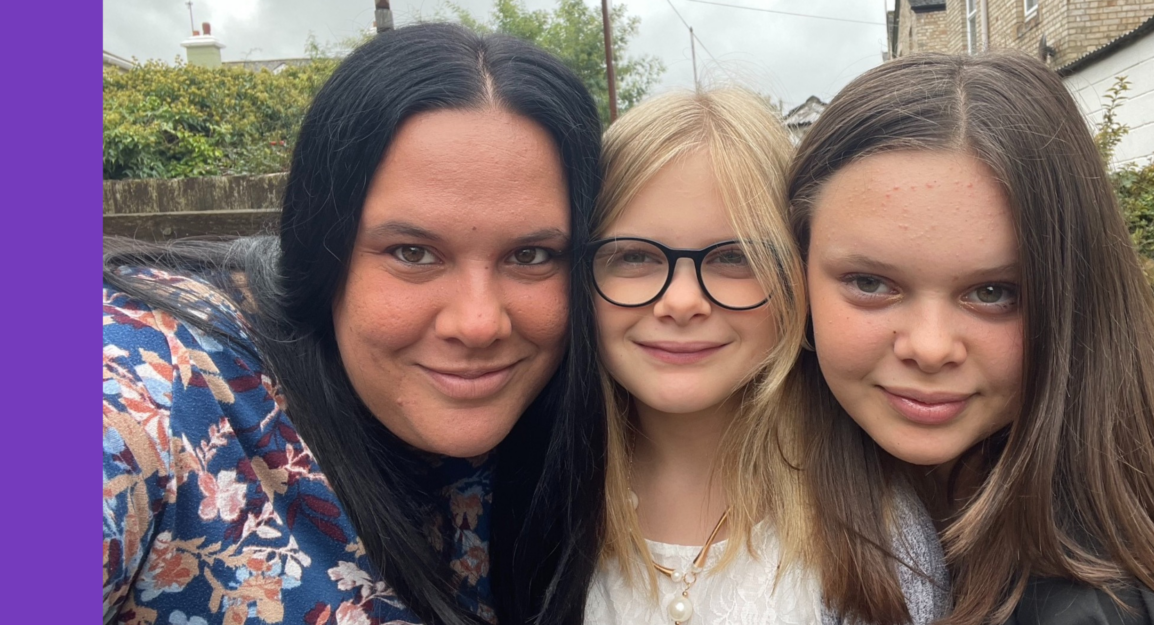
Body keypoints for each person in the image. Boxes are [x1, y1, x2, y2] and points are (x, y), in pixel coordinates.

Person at [102, 25, 605, 625]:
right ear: (323, 252)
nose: (478, 324)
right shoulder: (151, 385)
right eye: (413, 253)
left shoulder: (607, 405)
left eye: (531, 257)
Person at [787, 53, 1154, 625]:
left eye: (995, 293)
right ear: (794, 270)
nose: (928, 348)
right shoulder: (750, 491)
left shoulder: (1125, 604)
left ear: (1079, 298)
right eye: (871, 283)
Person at [581, 88, 946, 625]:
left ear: (796, 279)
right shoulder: (528, 498)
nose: (681, 303)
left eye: (735, 257)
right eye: (634, 256)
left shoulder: (876, 535)